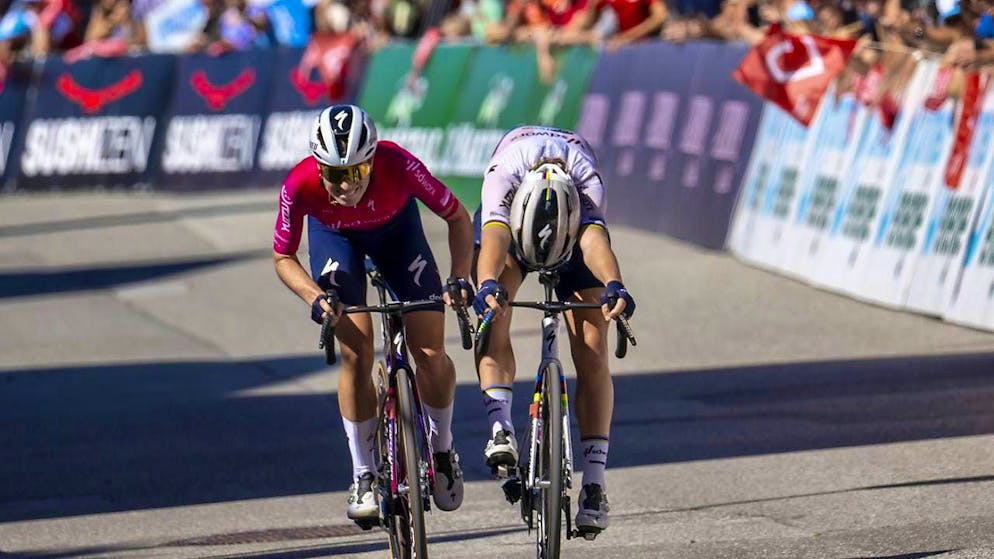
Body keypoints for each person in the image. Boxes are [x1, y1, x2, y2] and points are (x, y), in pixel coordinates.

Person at [272, 104, 475, 522]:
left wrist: (459, 276)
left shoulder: (398, 163)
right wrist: (315, 297)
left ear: (372, 160)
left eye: (357, 172)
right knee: (356, 352)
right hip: (337, 240)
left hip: (398, 237)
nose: (346, 185)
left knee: (430, 352)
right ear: (318, 166)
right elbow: (283, 256)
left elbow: (457, 216)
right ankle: (363, 473)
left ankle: (441, 450)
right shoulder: (298, 184)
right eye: (334, 174)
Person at [472, 125, 636, 537]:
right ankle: (500, 428)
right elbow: (494, 237)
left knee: (593, 347)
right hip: (512, 230)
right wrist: (487, 283)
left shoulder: (587, 182)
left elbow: (594, 243)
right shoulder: (503, 177)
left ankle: (594, 482)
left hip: (571, 228)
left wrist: (615, 284)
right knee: (495, 314)